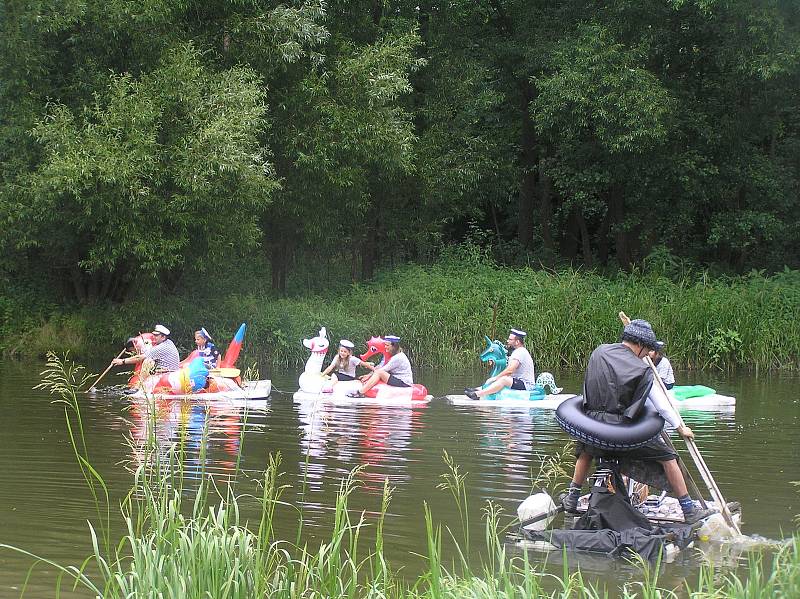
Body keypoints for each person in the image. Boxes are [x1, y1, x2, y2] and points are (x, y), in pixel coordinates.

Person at [561, 319, 715, 524]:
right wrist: (680, 427)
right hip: (620, 430)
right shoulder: (641, 369)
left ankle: (571, 498)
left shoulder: (599, 352)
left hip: (594, 423)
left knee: (586, 450)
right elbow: (660, 405)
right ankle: (689, 510)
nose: (648, 354)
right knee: (668, 457)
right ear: (640, 344)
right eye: (648, 349)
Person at [465, 328, 535, 400]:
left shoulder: (520, 352)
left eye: (510, 340)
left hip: (526, 385)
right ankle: (478, 389)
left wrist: (496, 378)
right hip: (517, 381)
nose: (507, 341)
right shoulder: (517, 352)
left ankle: (478, 394)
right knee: (500, 378)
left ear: (517, 342)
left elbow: (510, 370)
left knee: (503, 379)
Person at [348, 335, 412, 397]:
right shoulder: (390, 355)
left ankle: (360, 392)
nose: (385, 347)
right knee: (378, 372)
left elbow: (382, 370)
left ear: (394, 346)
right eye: (385, 345)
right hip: (396, 378)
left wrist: (370, 376)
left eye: (387, 345)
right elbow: (380, 366)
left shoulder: (398, 357)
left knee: (379, 373)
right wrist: (368, 375)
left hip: (403, 381)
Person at [113, 324, 180, 373]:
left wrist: (122, 361)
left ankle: (138, 388)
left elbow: (140, 357)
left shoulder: (160, 348)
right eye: (154, 335)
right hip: (170, 370)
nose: (154, 337)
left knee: (148, 361)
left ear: (163, 337)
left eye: (156, 335)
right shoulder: (169, 342)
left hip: (167, 373)